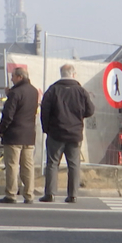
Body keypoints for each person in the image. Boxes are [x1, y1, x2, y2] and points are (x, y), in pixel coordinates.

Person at [39, 63, 95, 204]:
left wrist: (47, 129)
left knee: (52, 163)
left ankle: (50, 194)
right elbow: (90, 111)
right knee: (74, 164)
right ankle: (73, 195)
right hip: (75, 133)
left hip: (56, 133)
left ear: (61, 73)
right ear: (73, 74)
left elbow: (44, 112)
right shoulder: (81, 91)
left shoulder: (52, 90)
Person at [0, 67, 39, 204]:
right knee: (28, 166)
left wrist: (2, 129)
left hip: (14, 134)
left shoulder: (15, 92)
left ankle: (11, 194)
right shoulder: (33, 91)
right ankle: (29, 194)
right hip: (29, 134)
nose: (11, 79)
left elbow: (9, 114)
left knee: (12, 165)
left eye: (13, 76)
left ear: (19, 77)